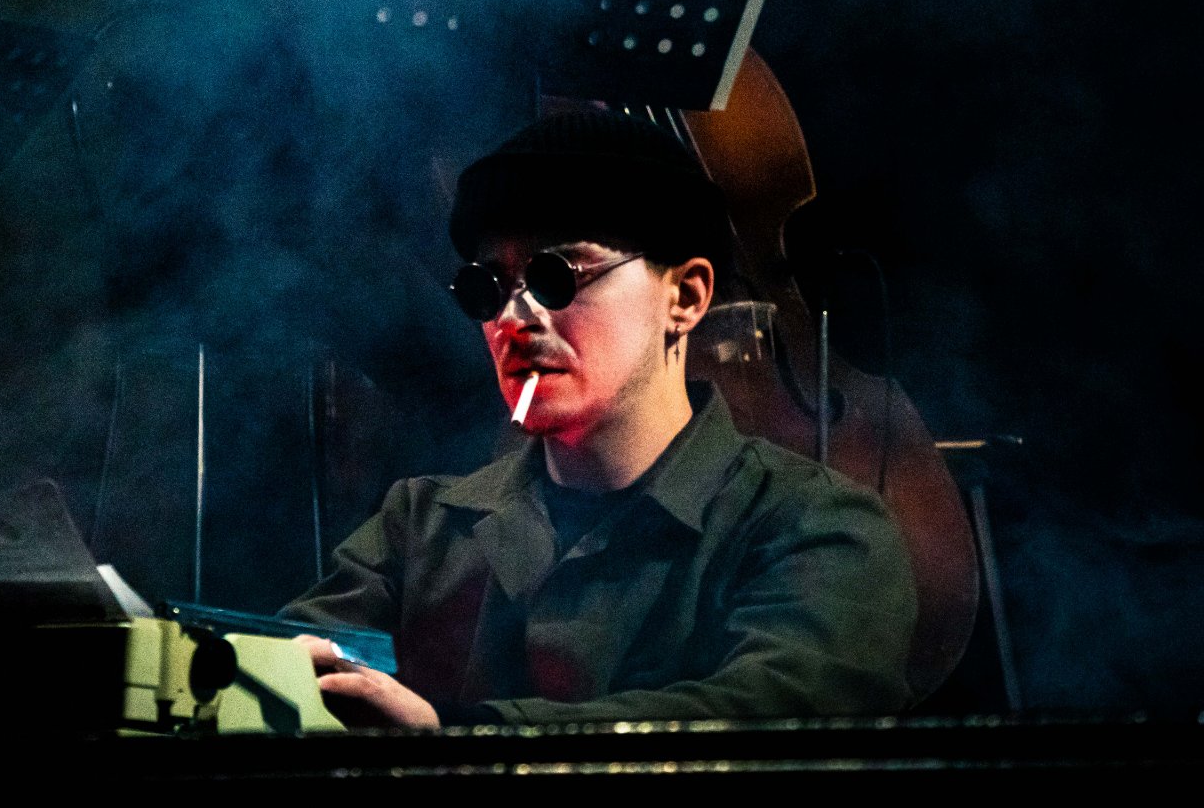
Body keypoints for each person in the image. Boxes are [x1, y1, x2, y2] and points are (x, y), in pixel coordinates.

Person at [280, 108, 918, 727]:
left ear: (685, 296)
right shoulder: (420, 527)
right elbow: (282, 669)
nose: (514, 319)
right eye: (488, 288)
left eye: (557, 278)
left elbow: (771, 711)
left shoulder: (815, 527)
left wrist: (452, 734)